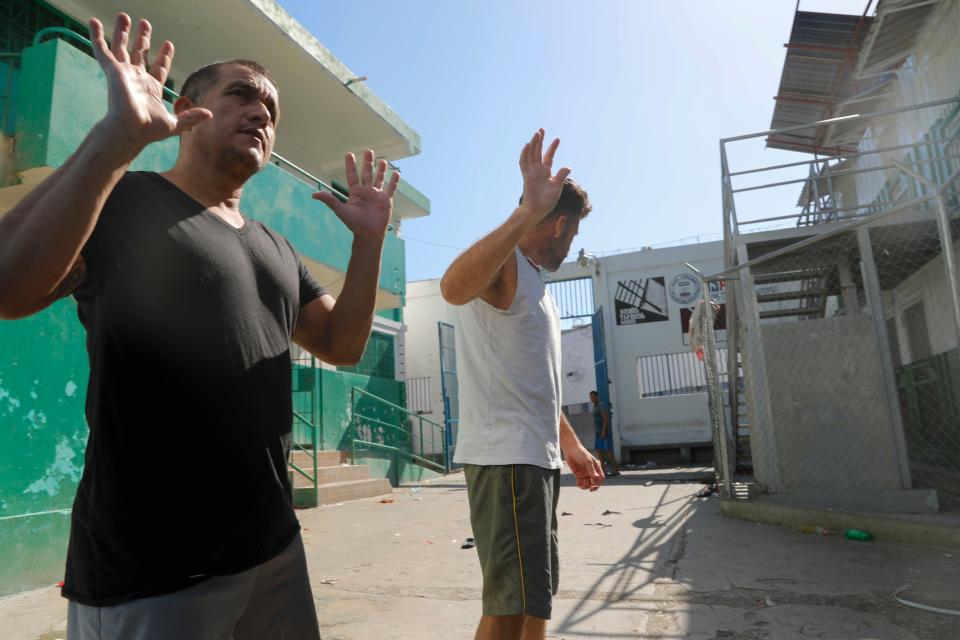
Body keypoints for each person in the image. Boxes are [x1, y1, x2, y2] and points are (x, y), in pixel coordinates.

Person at [0, 13, 399, 639]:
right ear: (187, 109)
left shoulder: (276, 246)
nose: (261, 112)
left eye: (271, 108)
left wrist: (369, 244)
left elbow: (344, 346)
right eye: (241, 94)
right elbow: (8, 285)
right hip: (155, 570)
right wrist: (117, 137)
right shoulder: (123, 199)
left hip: (274, 551)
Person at [440, 129, 605, 640]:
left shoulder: (536, 283)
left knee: (536, 599)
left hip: (536, 457)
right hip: (507, 458)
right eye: (573, 235)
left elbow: (535, 386)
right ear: (558, 224)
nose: (571, 245)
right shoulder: (505, 263)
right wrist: (521, 215)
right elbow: (451, 287)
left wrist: (571, 446)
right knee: (510, 605)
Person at [589, 391, 620, 477]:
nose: (592, 398)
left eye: (593, 397)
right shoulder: (594, 406)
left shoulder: (601, 405)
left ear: (597, 397)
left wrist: (603, 431)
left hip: (603, 432)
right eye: (591, 397)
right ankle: (603, 472)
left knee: (608, 452)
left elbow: (606, 419)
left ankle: (616, 471)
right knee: (599, 451)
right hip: (597, 432)